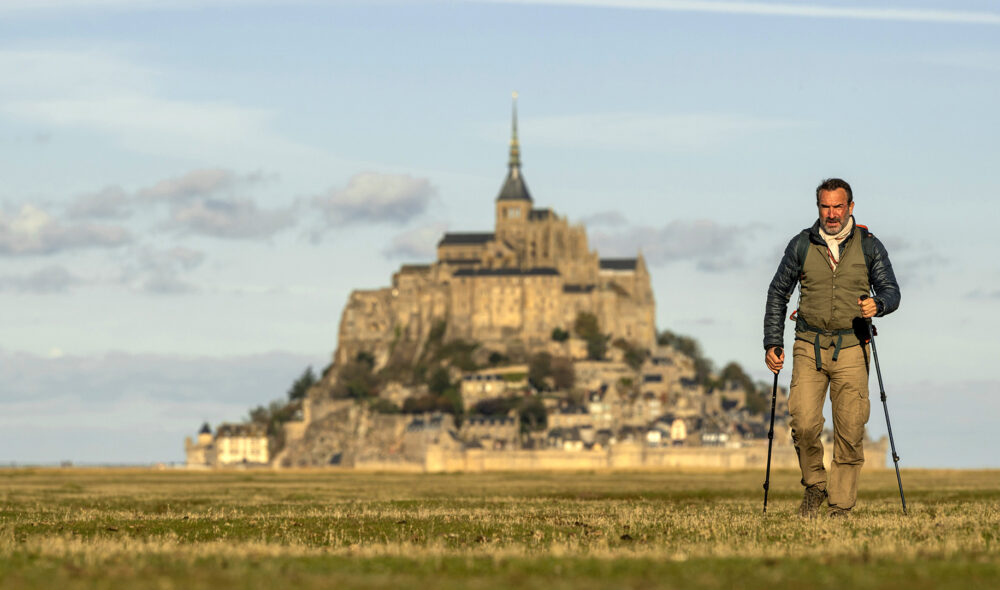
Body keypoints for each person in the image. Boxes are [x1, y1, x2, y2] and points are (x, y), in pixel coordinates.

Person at [763, 178, 900, 518]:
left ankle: (840, 505)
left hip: (853, 345)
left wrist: (878, 304)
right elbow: (778, 293)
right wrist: (772, 342)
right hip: (808, 344)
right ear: (818, 208)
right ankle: (815, 486)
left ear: (850, 207)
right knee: (804, 422)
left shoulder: (870, 246)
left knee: (851, 428)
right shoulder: (801, 244)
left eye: (838, 206)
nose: (832, 214)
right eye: (826, 207)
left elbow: (891, 290)